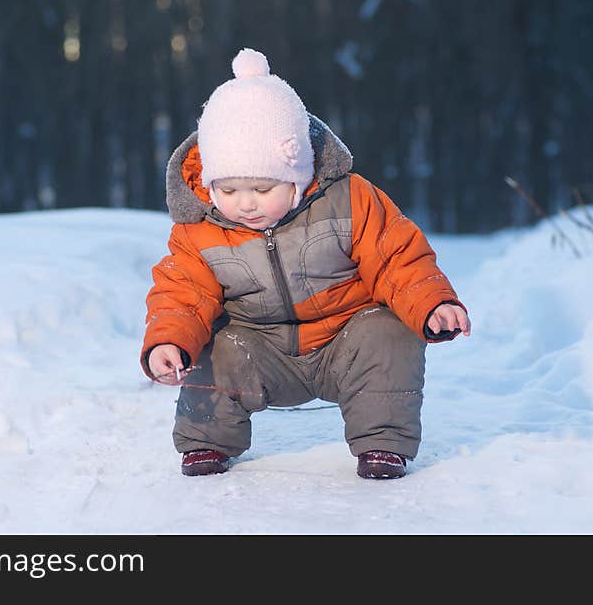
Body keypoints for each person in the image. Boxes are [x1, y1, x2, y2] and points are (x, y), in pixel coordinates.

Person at [141, 48, 470, 479]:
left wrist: (432, 304)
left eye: (262, 188)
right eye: (229, 189)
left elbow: (397, 259)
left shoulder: (349, 199)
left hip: (343, 341)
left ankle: (382, 442)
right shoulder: (199, 228)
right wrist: (168, 342)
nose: (245, 203)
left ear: (297, 174)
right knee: (213, 342)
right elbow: (182, 294)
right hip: (259, 348)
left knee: (388, 329)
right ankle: (207, 440)